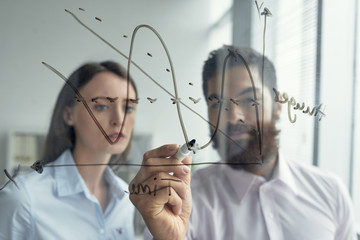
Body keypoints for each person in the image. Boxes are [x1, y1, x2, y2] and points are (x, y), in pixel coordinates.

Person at [132, 46, 357, 240]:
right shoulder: (182, 204)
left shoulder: (331, 192)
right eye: (218, 104)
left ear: (278, 106)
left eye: (250, 100)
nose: (233, 117)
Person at [0, 61, 138, 239]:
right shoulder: (23, 198)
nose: (119, 120)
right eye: (102, 106)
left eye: (128, 108)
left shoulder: (126, 199)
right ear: (68, 115)